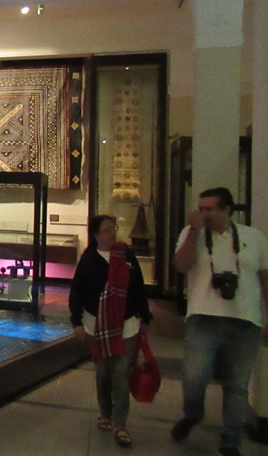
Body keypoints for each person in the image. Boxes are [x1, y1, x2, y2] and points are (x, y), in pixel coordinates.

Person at [171, 187, 268, 456]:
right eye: (201, 208)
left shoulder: (254, 237)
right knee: (194, 378)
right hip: (203, 318)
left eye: (210, 209)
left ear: (227, 210)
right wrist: (194, 231)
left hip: (245, 320)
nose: (204, 214)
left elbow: (265, 279)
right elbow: (181, 265)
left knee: (237, 385)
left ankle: (230, 438)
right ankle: (193, 414)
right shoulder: (191, 234)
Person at [69, 214, 152, 448]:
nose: (112, 233)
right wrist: (76, 322)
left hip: (126, 324)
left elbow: (138, 288)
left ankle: (120, 424)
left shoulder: (126, 256)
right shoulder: (89, 260)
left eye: (113, 228)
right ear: (96, 234)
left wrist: (145, 316)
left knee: (121, 374)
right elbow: (77, 292)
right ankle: (105, 412)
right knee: (104, 373)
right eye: (107, 229)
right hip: (96, 324)